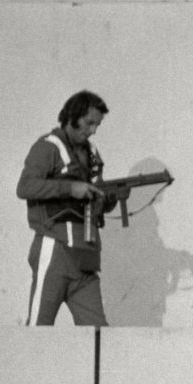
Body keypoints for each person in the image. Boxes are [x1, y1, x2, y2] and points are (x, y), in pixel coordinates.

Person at [16, 90, 118, 326]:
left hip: (86, 256)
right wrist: (70, 189)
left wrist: (108, 199)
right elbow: (25, 187)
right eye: (89, 122)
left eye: (97, 125)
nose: (93, 130)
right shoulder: (48, 147)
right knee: (38, 329)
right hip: (55, 250)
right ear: (73, 116)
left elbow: (93, 208)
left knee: (98, 334)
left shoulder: (92, 154)